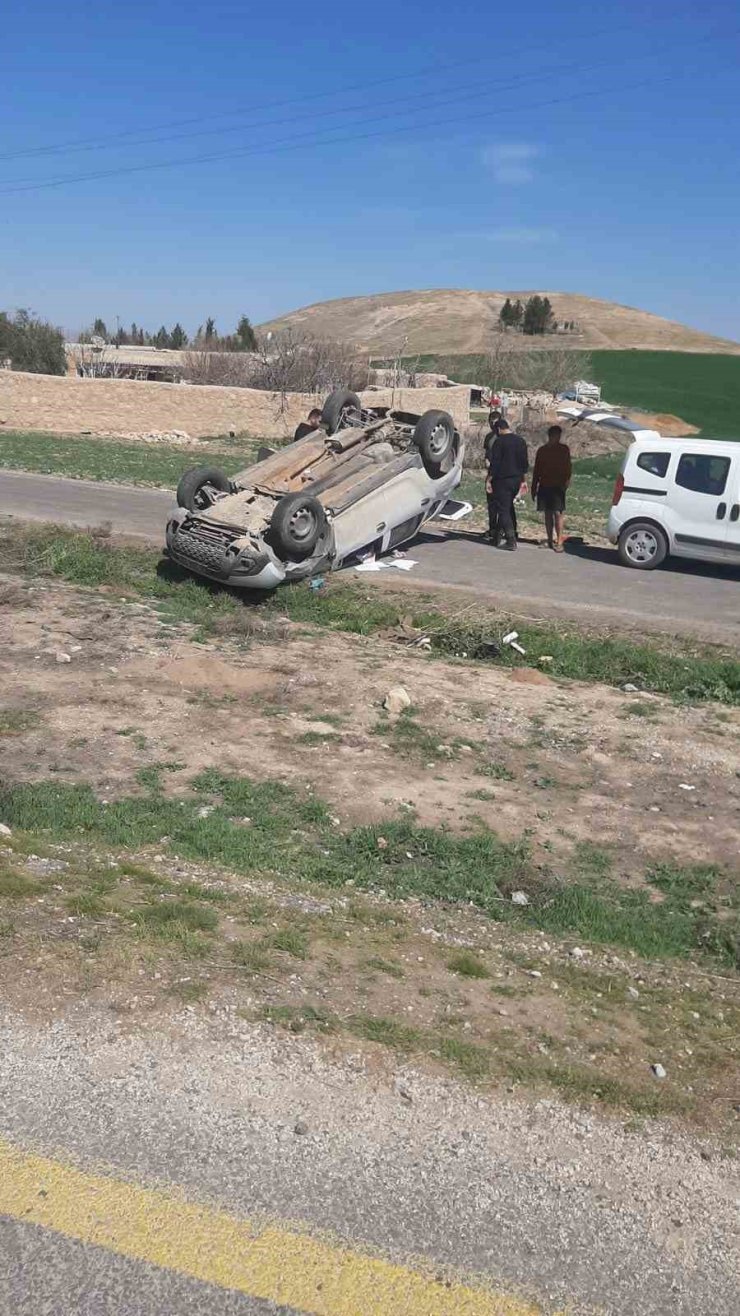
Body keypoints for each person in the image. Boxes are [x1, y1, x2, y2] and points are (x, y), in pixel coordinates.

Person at [486, 417, 529, 550]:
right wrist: (523, 480)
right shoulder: (520, 441)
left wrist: (489, 479)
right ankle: (499, 536)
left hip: (502, 479)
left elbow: (495, 463)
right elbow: (524, 463)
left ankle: (511, 540)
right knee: (508, 506)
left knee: (503, 509)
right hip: (516, 479)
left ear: (499, 429)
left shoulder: (499, 442)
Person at [531, 424, 572, 552]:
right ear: (550, 436)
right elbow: (536, 470)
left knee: (558, 513)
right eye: (555, 436)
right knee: (547, 513)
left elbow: (568, 468)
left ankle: (559, 540)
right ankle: (549, 539)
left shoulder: (564, 449)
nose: (557, 438)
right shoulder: (542, 450)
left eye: (559, 436)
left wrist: (566, 483)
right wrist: (534, 487)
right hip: (544, 485)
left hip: (558, 486)